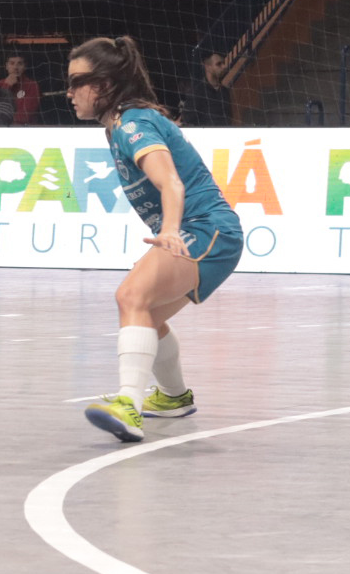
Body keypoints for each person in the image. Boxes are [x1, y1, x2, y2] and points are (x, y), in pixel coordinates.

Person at [65, 36, 243, 444]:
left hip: (204, 228)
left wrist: (169, 230)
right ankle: (174, 396)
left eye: (77, 82)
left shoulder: (133, 123)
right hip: (211, 232)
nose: (69, 92)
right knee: (149, 316)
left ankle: (129, 404)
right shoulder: (120, 125)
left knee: (131, 297)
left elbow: (172, 183)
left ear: (105, 84)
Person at [185, 51, 231, 126]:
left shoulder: (224, 91)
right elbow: (188, 119)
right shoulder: (197, 92)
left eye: (223, 63)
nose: (224, 66)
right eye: (219, 64)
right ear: (207, 66)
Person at [2, 54, 43, 125]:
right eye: (12, 63)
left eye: (20, 64)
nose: (15, 67)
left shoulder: (32, 85)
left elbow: (25, 115)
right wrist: (7, 86)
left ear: (25, 67)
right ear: (6, 66)